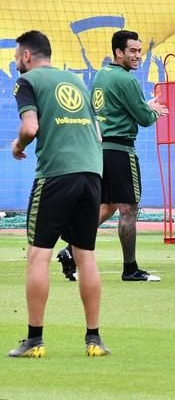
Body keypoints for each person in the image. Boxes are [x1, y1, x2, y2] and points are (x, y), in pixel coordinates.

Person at [8, 30, 110, 357]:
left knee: (39, 254)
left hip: (56, 173)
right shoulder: (76, 80)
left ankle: (34, 340)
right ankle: (94, 339)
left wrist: (18, 145)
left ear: (26, 56)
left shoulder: (28, 82)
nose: (15, 63)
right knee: (86, 256)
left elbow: (30, 128)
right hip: (92, 171)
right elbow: (97, 129)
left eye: (15, 57)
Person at [57, 30, 168, 282]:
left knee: (107, 206)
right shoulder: (126, 80)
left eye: (139, 51)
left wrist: (143, 106)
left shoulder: (102, 74)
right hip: (120, 150)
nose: (138, 55)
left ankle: (70, 251)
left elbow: (116, 107)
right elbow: (143, 118)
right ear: (119, 52)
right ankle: (130, 269)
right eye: (133, 51)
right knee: (129, 209)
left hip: (99, 149)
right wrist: (154, 110)